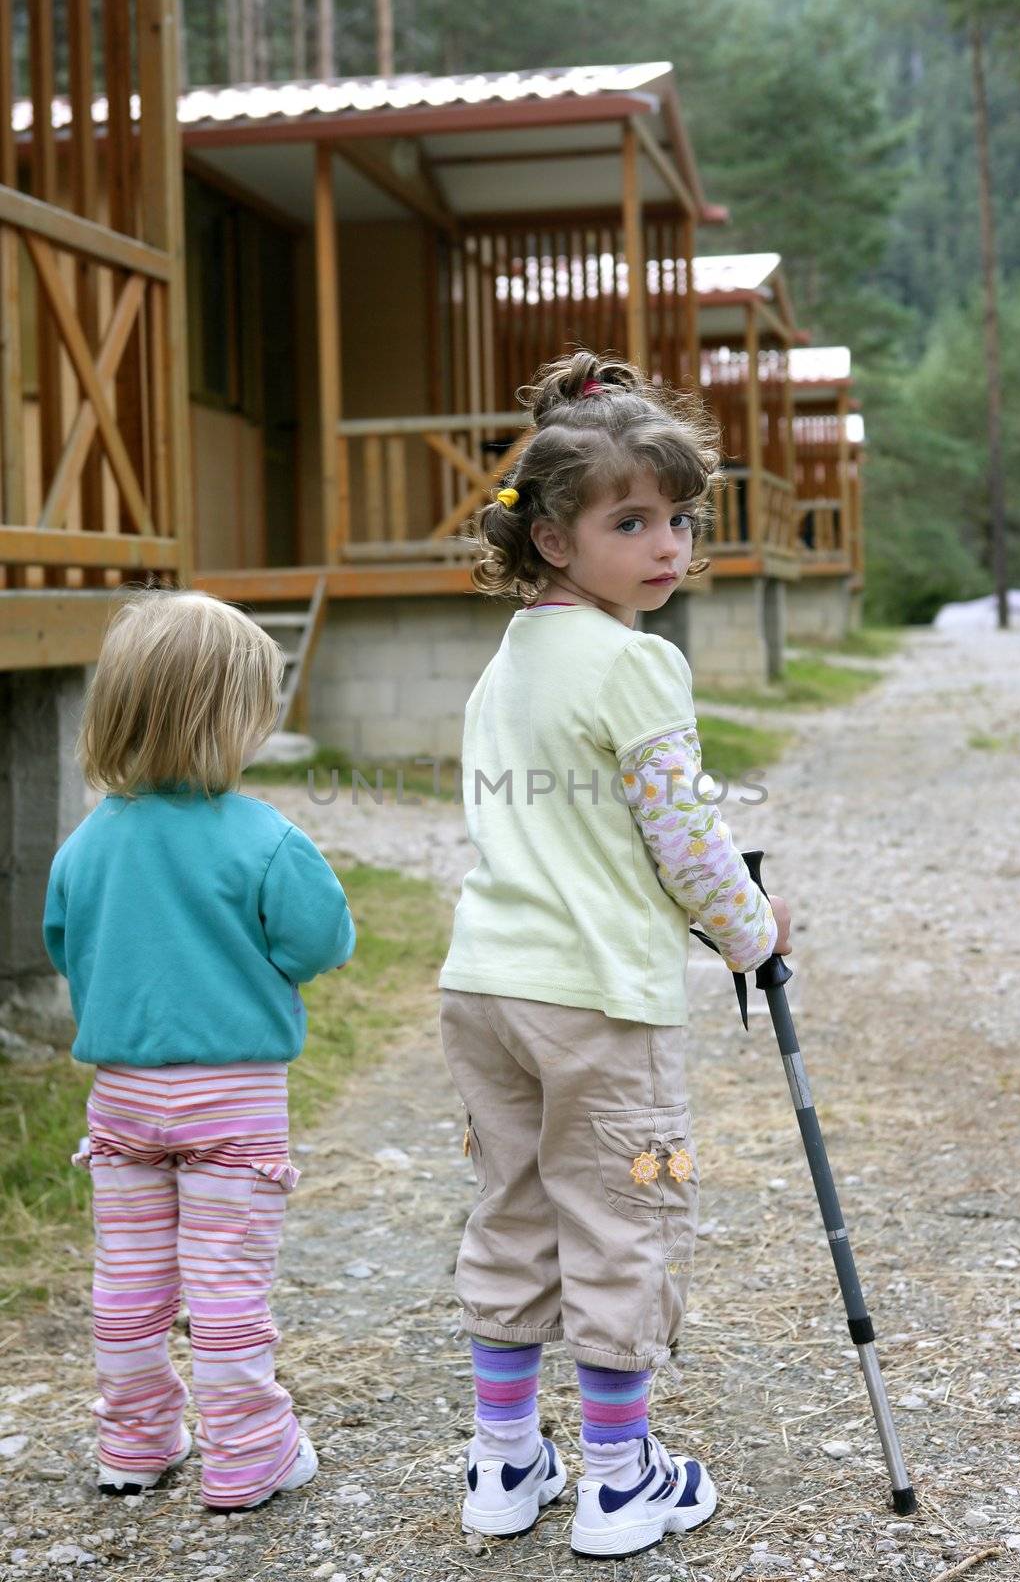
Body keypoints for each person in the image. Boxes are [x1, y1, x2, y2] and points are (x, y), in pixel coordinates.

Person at [437, 351, 792, 1559]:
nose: (665, 545)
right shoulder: (637, 664)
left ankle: (502, 1458)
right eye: (629, 520)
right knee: (624, 1219)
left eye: (679, 520)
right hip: (595, 999)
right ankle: (617, 1477)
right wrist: (750, 931)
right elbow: (687, 840)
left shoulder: (504, 668)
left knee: (513, 1205)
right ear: (548, 537)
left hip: (484, 985)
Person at [42, 587, 356, 1511]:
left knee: (129, 1282)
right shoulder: (264, 838)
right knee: (224, 1286)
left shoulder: (86, 843)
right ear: (233, 720)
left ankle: (135, 1442)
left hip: (124, 1098)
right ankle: (247, 1452)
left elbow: (68, 947)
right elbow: (321, 944)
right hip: (234, 1100)